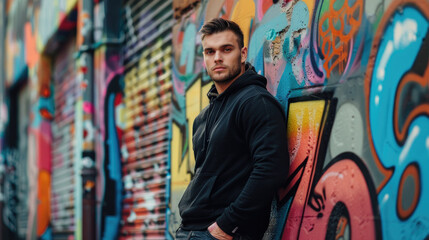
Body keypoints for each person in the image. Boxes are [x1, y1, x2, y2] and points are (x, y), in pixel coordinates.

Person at [176, 18, 289, 240]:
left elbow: (271, 169)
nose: (217, 57)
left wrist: (227, 225)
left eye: (226, 49)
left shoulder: (256, 103)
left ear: (243, 53)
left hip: (223, 234)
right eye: (210, 52)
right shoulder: (203, 118)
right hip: (190, 230)